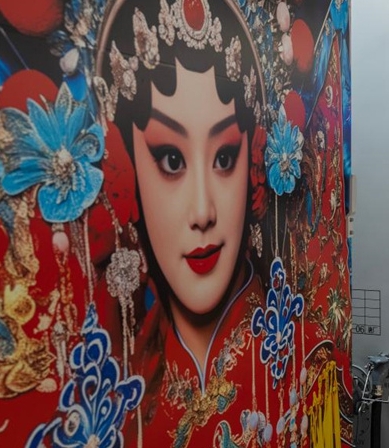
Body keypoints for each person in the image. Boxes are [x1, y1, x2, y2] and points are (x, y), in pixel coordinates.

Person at [95, 0, 282, 444]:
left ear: (252, 163)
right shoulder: (120, 404)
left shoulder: (300, 352)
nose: (203, 212)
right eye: (171, 160)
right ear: (128, 172)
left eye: (225, 158)